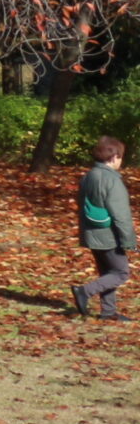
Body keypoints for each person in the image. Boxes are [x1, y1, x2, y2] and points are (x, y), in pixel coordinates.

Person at [72, 136, 133, 321]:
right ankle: (84, 291)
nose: (121, 161)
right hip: (109, 236)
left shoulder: (88, 176)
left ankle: (108, 311)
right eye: (121, 157)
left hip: (91, 232)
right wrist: (129, 240)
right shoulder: (112, 180)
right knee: (121, 272)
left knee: (107, 272)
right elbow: (121, 215)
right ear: (114, 157)